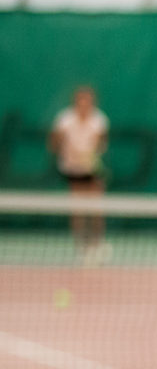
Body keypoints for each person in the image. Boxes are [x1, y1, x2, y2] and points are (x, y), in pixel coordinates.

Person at [49, 86, 111, 265]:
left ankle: (97, 245)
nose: (84, 104)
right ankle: (81, 247)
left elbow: (101, 143)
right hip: (72, 170)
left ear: (92, 102)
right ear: (76, 102)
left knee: (97, 208)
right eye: (81, 101)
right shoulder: (65, 119)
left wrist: (88, 154)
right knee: (77, 209)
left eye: (88, 101)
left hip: (92, 169)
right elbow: (53, 143)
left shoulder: (99, 119)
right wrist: (62, 143)